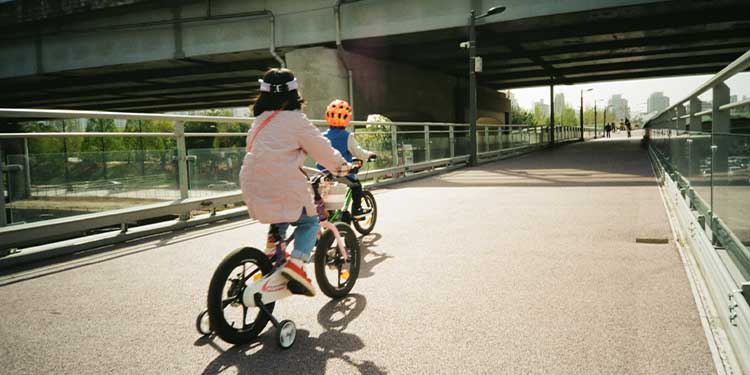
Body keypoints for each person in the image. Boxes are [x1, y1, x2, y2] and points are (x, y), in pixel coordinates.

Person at [239, 68, 352, 297]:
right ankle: (297, 266)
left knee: (279, 214)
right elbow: (323, 150)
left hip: (251, 181)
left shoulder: (259, 121)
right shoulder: (297, 121)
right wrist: (341, 168)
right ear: (294, 93)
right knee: (309, 221)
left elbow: (260, 151)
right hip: (282, 181)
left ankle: (272, 252)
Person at [318, 99, 376, 218]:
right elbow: (359, 152)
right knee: (356, 185)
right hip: (340, 173)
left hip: (322, 173)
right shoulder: (347, 136)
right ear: (347, 119)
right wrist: (369, 154)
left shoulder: (321, 136)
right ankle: (357, 210)